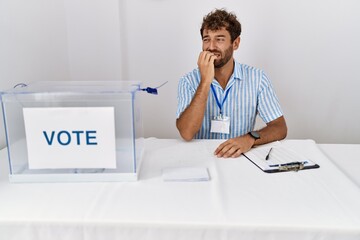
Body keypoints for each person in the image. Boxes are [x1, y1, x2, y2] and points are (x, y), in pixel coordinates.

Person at [176, 9, 287, 158]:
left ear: (235, 43)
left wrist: (250, 138)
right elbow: (186, 133)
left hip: (240, 158)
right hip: (200, 158)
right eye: (206, 39)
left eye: (220, 39)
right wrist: (205, 82)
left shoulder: (257, 78)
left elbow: (279, 128)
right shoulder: (188, 81)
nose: (211, 46)